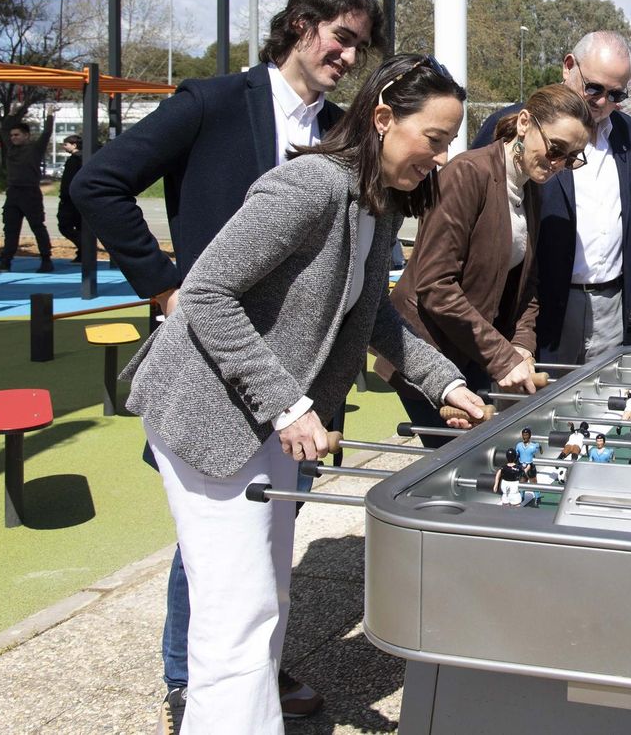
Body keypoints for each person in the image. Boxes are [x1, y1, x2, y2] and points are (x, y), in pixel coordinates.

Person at [123, 52, 482, 734]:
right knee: (239, 613)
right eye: (432, 140)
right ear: (381, 118)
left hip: (264, 419)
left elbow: (372, 313)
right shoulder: (312, 184)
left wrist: (445, 383)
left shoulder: (374, 203)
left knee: (266, 604)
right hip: (208, 413)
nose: (438, 158)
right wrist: (287, 404)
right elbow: (203, 294)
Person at [73, 0, 396, 728]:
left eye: (358, 45)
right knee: (213, 541)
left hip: (296, 377)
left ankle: (255, 671)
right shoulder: (213, 102)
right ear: (300, 25)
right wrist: (164, 286)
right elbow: (99, 184)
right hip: (217, 359)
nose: (346, 56)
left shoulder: (345, 131)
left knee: (262, 544)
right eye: (339, 37)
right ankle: (194, 679)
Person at [392, 84, 594, 438]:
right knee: (455, 472)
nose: (560, 164)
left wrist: (523, 344)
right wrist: (503, 357)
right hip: (427, 353)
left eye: (572, 157)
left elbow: (527, 285)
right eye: (556, 149)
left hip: (473, 352)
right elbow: (435, 285)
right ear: (525, 124)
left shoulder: (530, 185)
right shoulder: (467, 173)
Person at [473, 31, 631, 365]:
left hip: (610, 306)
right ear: (569, 66)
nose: (601, 102)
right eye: (593, 87)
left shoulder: (628, 134)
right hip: (539, 308)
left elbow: (629, 216)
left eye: (616, 94)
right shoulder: (513, 124)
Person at [0, 108, 55, 273]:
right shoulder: (10, 149)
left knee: (37, 226)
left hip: (30, 193)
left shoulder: (34, 149)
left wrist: (50, 115)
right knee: (10, 228)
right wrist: (12, 113)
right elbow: (3, 129)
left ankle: (46, 259)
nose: (13, 137)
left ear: (26, 135)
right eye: (12, 135)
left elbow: (47, 133)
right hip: (13, 193)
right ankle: (5, 261)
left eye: (17, 135)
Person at [54, 134, 84, 261]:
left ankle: (84, 247)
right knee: (79, 225)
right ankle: (83, 253)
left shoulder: (75, 160)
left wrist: (65, 194)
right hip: (77, 198)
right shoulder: (81, 158)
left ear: (74, 145)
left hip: (69, 199)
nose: (64, 146)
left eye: (66, 144)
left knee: (64, 225)